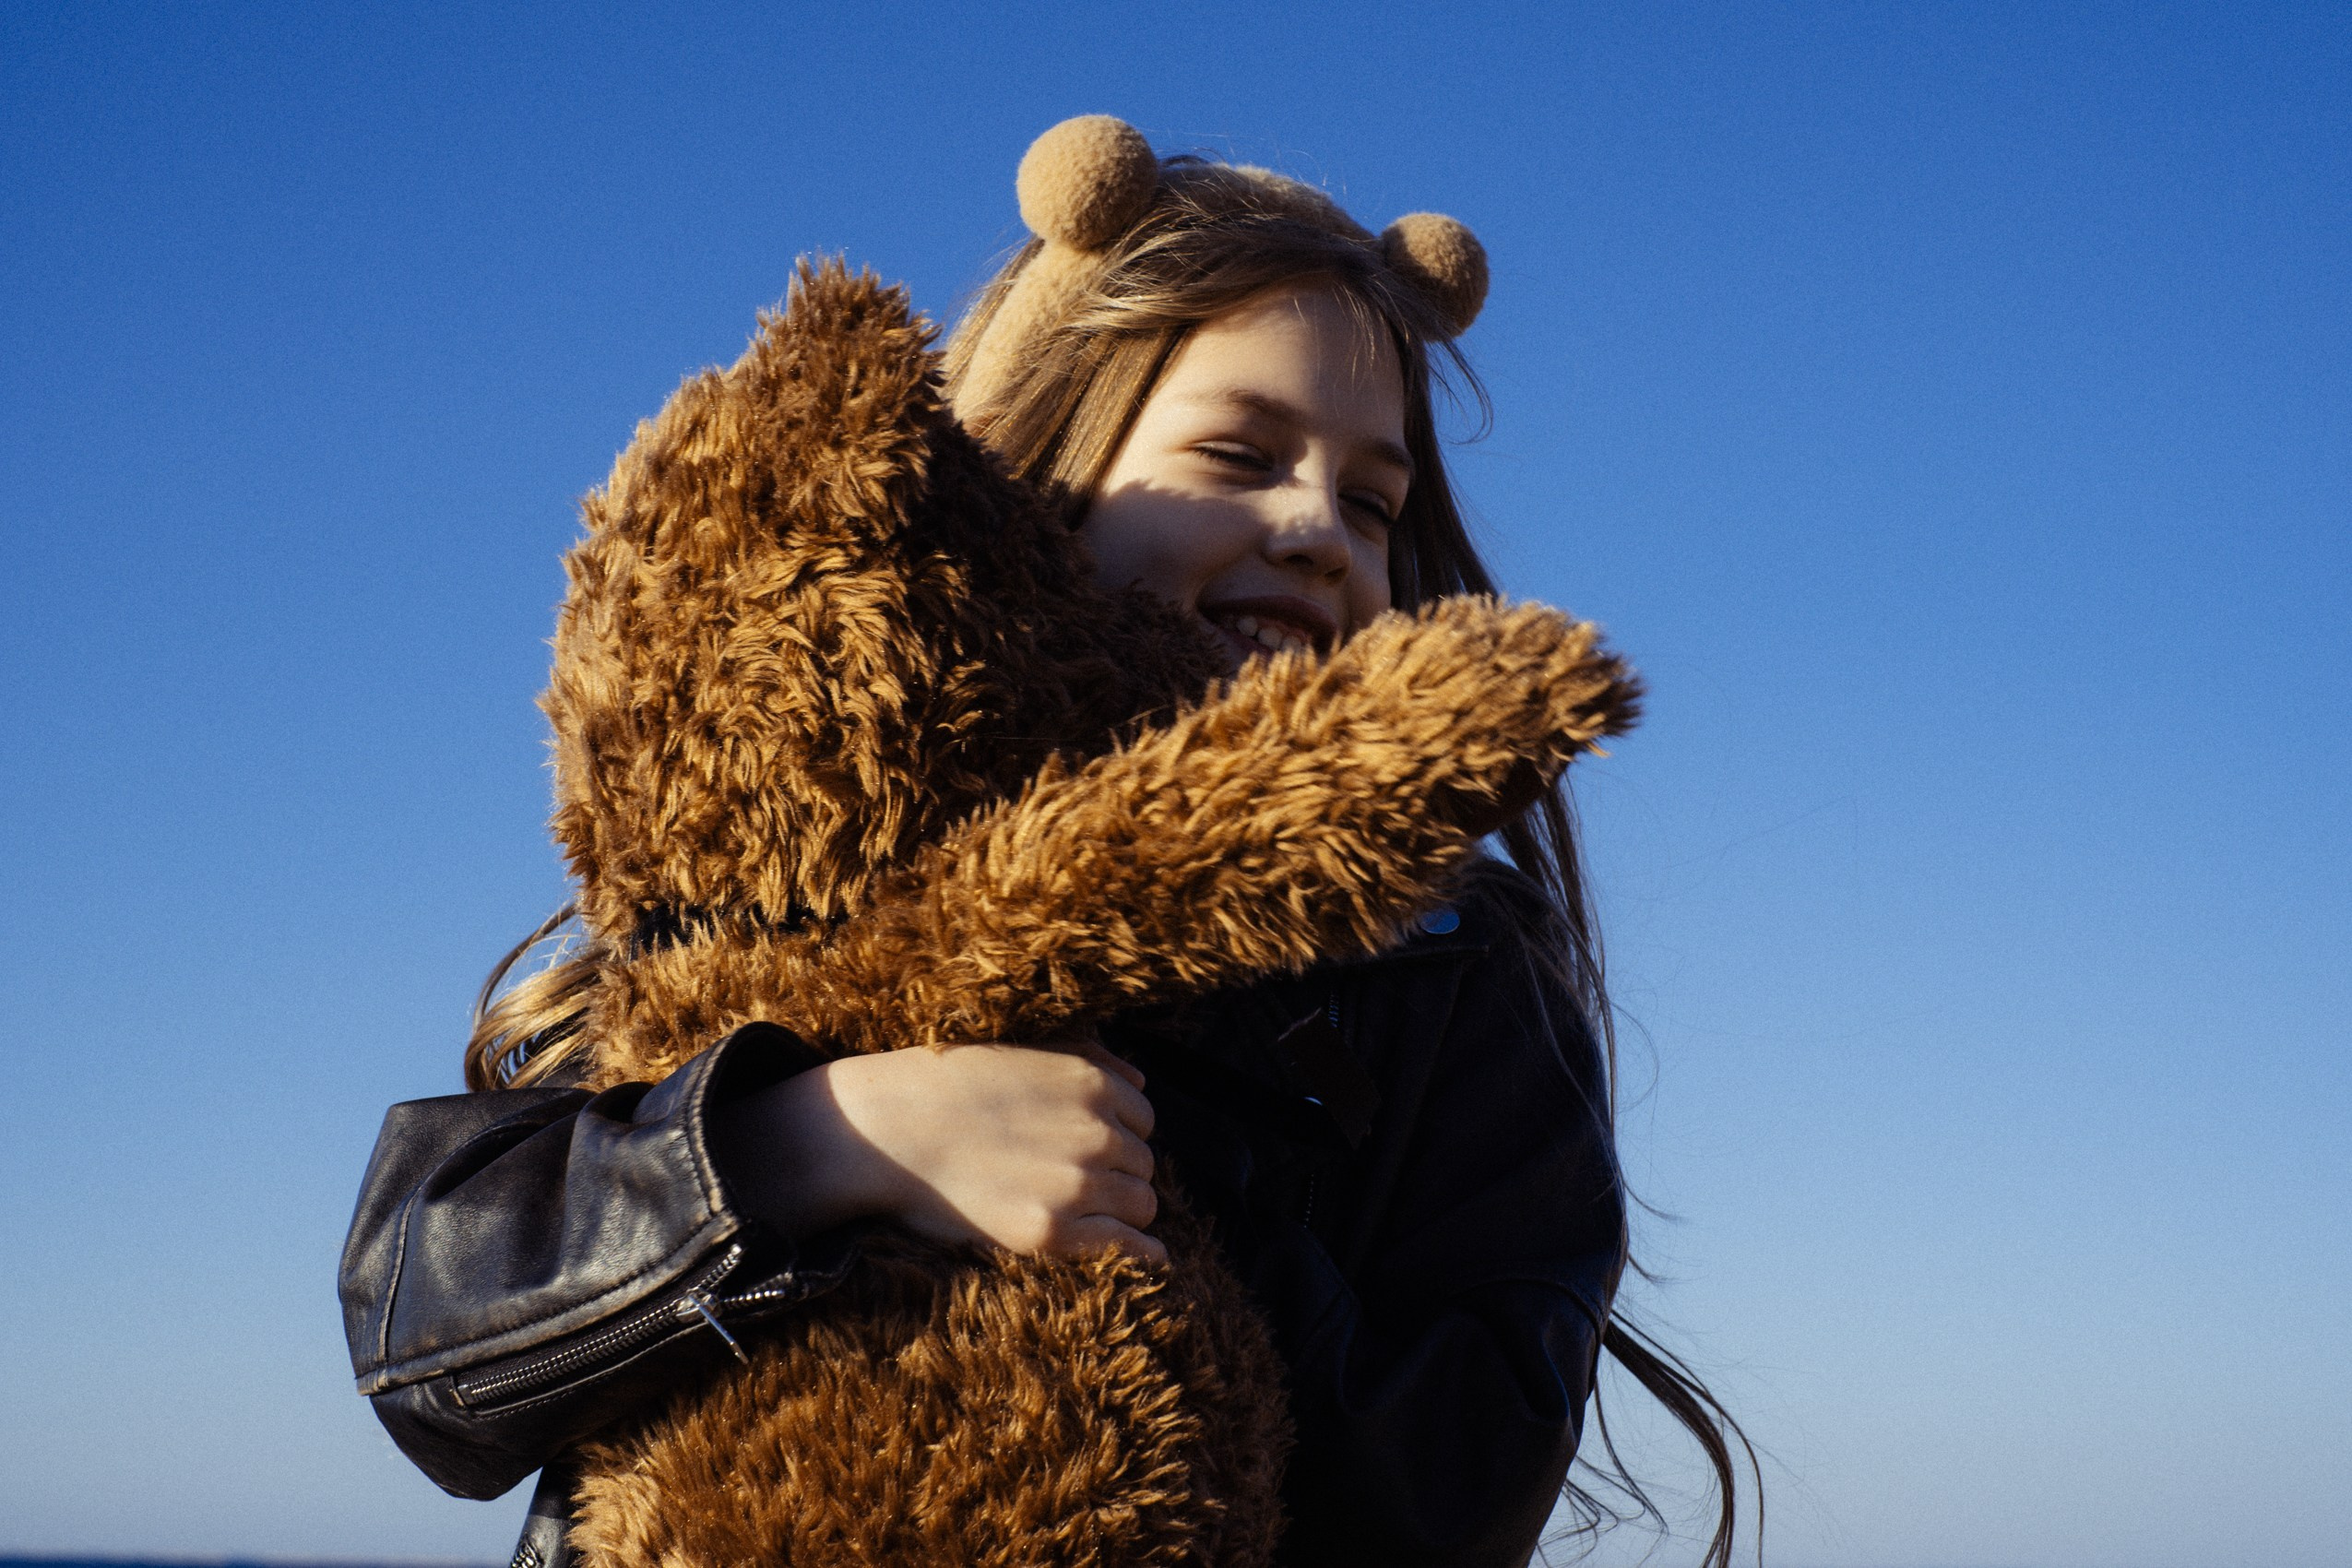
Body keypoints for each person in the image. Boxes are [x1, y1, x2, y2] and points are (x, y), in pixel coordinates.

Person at [340, 119, 1752, 1568]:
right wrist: (812, 1142)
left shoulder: (1449, 960)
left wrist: (1145, 1147)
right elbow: (426, 1338)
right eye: (1240, 452)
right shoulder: (817, 835)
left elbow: (1459, 1490)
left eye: (1373, 500)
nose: (1319, 529)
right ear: (1042, 463)